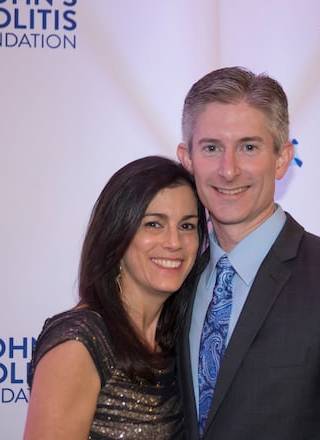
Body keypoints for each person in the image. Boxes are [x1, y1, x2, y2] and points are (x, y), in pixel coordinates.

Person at [175, 66, 320, 439]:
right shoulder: (176, 282)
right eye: (211, 148)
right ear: (187, 159)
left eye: (248, 147)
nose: (228, 170)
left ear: (282, 158)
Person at [23, 156, 209, 440]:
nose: (174, 242)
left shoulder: (181, 343)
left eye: (186, 226)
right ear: (117, 234)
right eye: (153, 224)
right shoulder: (80, 343)